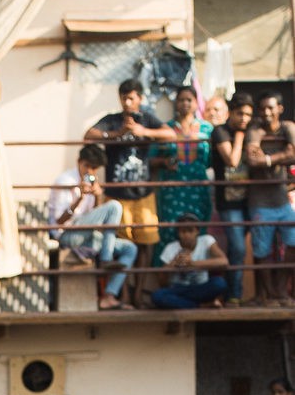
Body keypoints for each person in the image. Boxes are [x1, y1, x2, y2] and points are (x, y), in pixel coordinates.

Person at [84, 79, 176, 306]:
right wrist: (116, 134)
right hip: (118, 197)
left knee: (146, 245)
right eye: (123, 98)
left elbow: (171, 134)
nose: (127, 102)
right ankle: (121, 295)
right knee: (122, 247)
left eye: (131, 98)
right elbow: (89, 135)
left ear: (140, 99)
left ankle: (138, 295)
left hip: (143, 195)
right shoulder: (112, 120)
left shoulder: (147, 119)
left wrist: (142, 131)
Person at [47, 143, 137, 310]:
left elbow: (95, 218)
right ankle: (106, 259)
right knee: (115, 206)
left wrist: (97, 197)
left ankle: (108, 296)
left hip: (86, 235)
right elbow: (59, 222)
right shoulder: (65, 181)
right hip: (67, 235)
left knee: (130, 249)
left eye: (94, 168)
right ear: (79, 162)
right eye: (87, 166)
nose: (89, 171)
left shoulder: (91, 183)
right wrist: (79, 198)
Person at [243, 91, 295, 305]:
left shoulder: (288, 127)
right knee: (262, 250)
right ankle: (271, 294)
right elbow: (252, 159)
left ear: (279, 109)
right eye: (262, 108)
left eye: (270, 108)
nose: (266, 112)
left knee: (293, 243)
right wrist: (282, 156)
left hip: (282, 201)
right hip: (260, 202)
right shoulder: (255, 130)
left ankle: (281, 289)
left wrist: (266, 159)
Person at [152, 86, 213, 256]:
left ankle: (198, 275)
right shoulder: (166, 129)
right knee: (170, 230)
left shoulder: (207, 129)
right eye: (181, 100)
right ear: (176, 103)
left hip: (198, 187)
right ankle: (166, 277)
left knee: (198, 230)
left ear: (196, 104)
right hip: (172, 188)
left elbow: (213, 160)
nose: (185, 103)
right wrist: (164, 161)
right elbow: (150, 159)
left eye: (189, 100)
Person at [210, 92, 255, 306]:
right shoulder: (220, 132)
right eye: (240, 114)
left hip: (250, 199)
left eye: (248, 114)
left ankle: (235, 292)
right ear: (231, 112)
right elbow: (232, 160)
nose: (244, 119)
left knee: (244, 248)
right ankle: (234, 295)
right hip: (228, 201)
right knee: (237, 247)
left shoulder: (252, 131)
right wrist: (238, 138)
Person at [152, 215, 228, 310]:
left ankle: (185, 303)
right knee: (158, 296)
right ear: (178, 233)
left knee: (219, 283)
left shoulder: (206, 241)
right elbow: (162, 282)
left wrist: (192, 263)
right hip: (179, 289)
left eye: (190, 231)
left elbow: (224, 261)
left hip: (201, 288)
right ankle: (201, 306)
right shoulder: (171, 248)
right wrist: (174, 264)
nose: (187, 235)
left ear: (197, 231)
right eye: (183, 231)